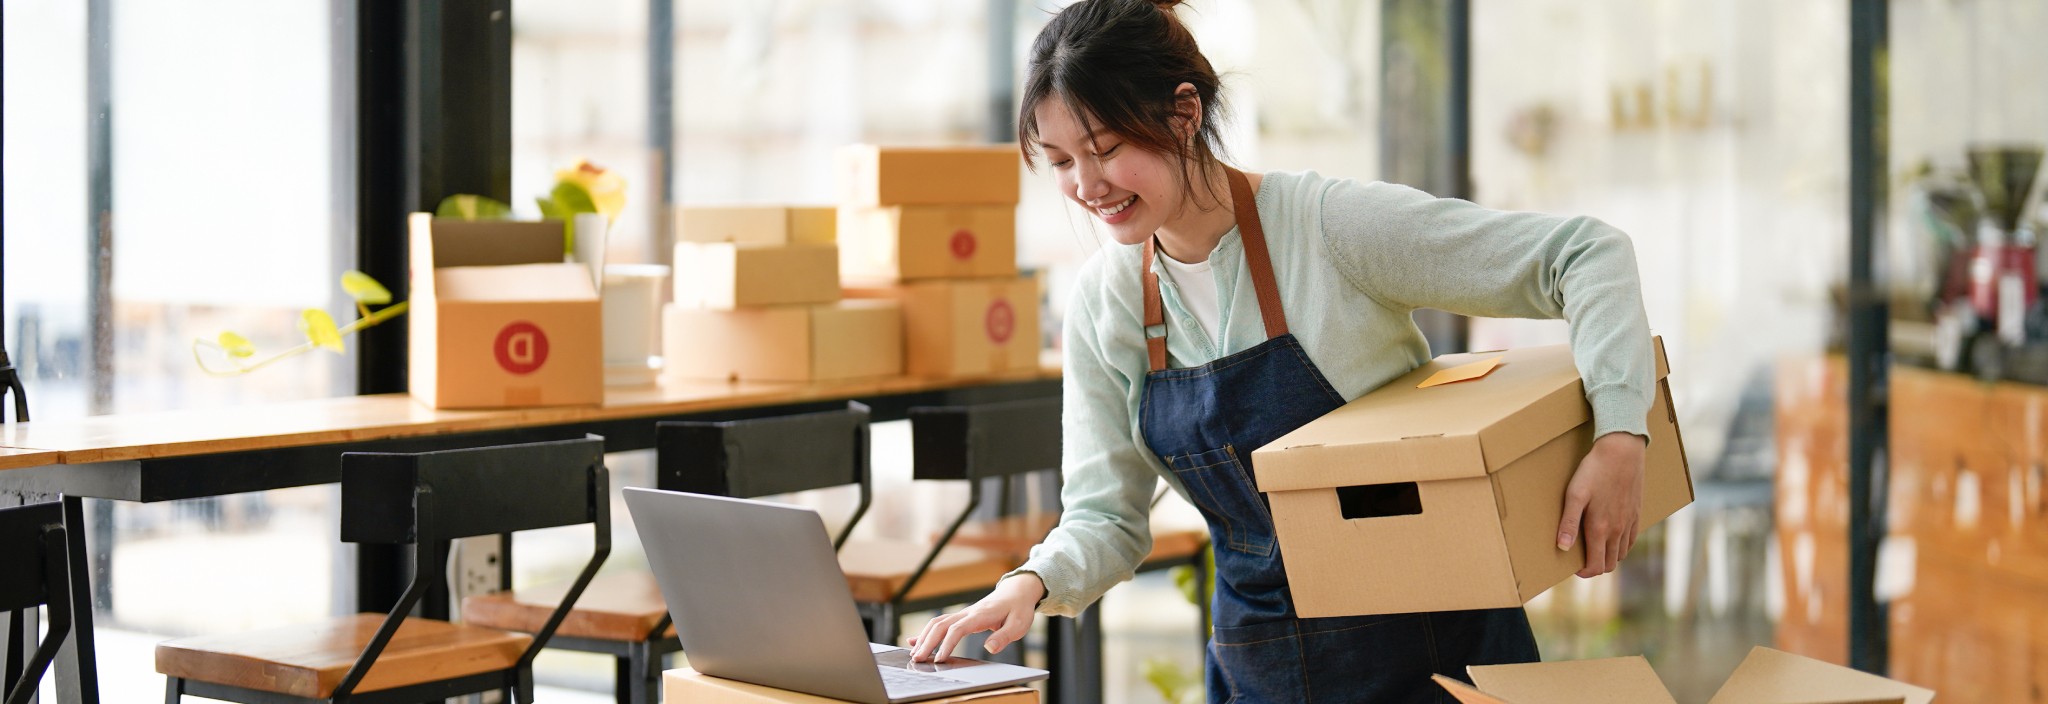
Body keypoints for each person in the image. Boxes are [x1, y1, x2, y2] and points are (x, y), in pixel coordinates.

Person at [906, 0, 1656, 700]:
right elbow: (1106, 518)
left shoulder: (1330, 229)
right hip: (1259, 666)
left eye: (1104, 149)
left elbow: (1584, 255)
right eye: (1062, 161)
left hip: (1436, 656)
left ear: (1184, 112)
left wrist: (1621, 434)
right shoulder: (1106, 303)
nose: (1087, 186)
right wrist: (1027, 586)